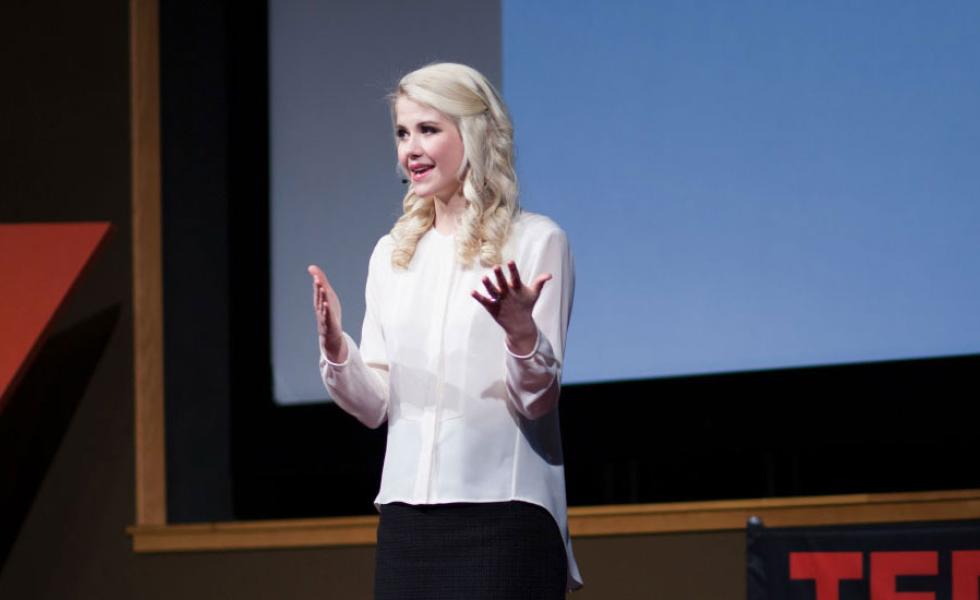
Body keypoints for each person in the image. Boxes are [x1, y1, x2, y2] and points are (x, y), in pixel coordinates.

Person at [308, 62, 582, 598]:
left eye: (428, 129)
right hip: (408, 520)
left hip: (505, 515)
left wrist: (521, 335)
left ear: (474, 134)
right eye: (402, 133)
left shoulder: (535, 242)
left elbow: (537, 401)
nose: (410, 149)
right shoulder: (393, 254)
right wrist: (338, 350)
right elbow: (375, 406)